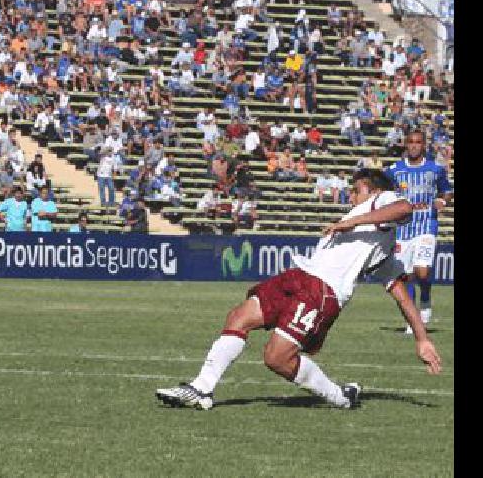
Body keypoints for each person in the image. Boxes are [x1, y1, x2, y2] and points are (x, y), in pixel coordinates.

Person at [156, 169, 442, 410]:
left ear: (373, 190)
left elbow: (403, 209)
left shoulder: (383, 202)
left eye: (356, 190)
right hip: (300, 276)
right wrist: (420, 337)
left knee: (276, 358)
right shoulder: (374, 243)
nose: (351, 196)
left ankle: (340, 398)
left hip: (321, 291)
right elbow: (402, 296)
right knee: (238, 317)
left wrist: (422, 340)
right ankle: (202, 389)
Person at [385, 130, 453, 334]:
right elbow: (384, 193)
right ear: (406, 145)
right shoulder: (393, 171)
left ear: (424, 145)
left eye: (418, 142)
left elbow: (447, 191)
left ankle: (425, 296)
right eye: (410, 142)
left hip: (426, 227)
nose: (414, 146)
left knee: (422, 271)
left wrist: (443, 200)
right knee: (405, 277)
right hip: (403, 229)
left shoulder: (436, 169)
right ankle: (413, 320)